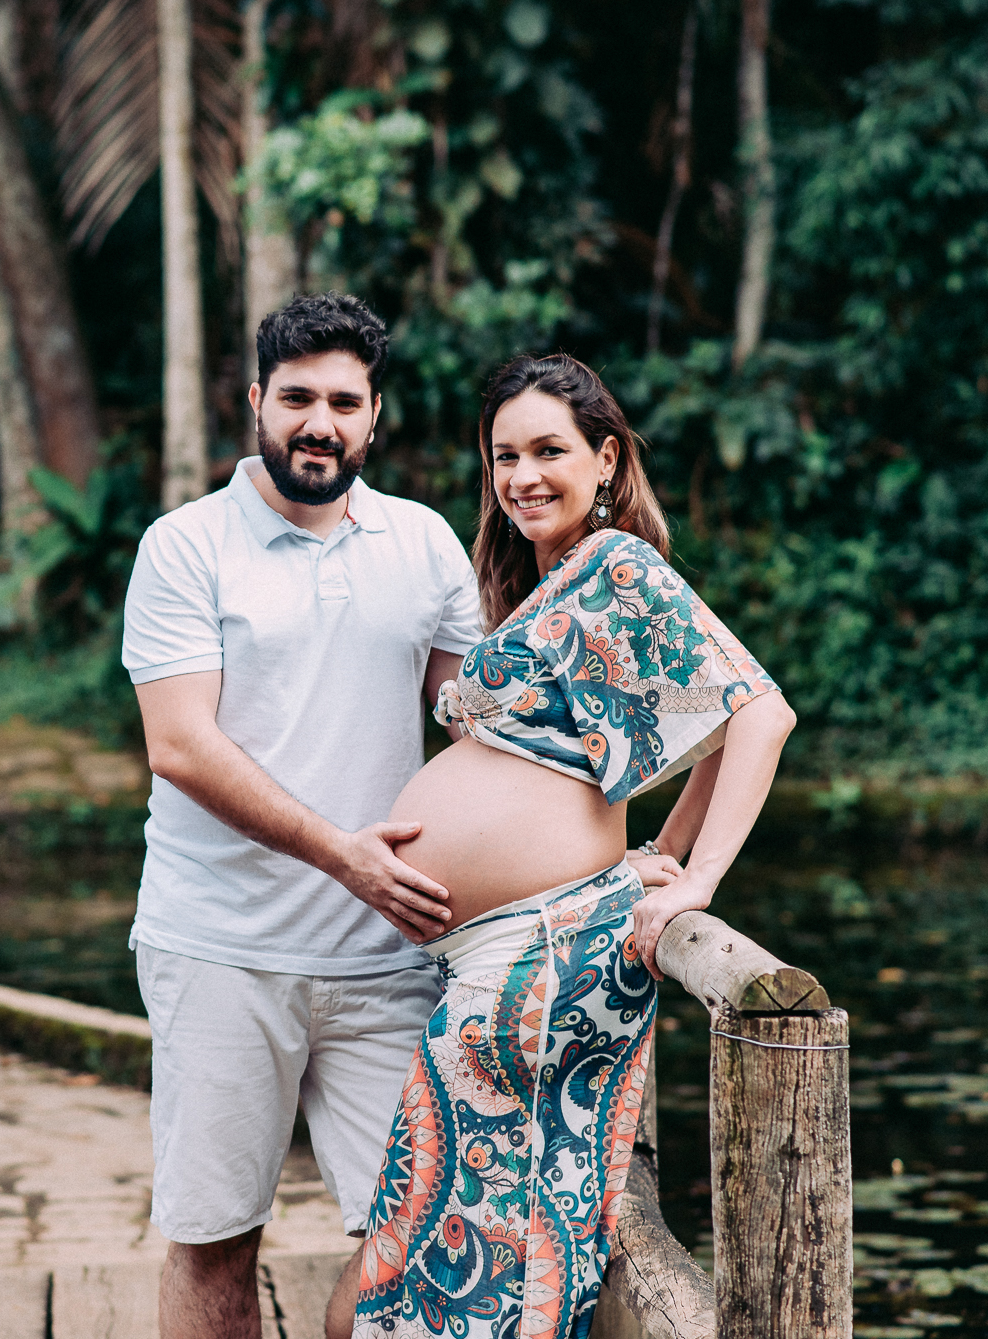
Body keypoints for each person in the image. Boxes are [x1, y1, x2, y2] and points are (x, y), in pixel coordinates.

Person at [324, 354, 797, 1339]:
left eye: (548, 449)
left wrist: (690, 879)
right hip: (500, 959)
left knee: (450, 1290)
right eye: (503, 455)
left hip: (536, 965)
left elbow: (754, 712)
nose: (522, 475)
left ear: (605, 457)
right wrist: (653, 848)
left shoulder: (614, 563)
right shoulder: (553, 580)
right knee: (405, 1284)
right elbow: (697, 727)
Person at [123, 292, 484, 1339]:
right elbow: (179, 743)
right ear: (255, 403)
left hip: (388, 957)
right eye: (295, 398)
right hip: (219, 948)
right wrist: (344, 855)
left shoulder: (422, 545)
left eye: (341, 400)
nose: (317, 421)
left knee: (421, 1233)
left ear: (373, 417)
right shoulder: (184, 546)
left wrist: (613, 855)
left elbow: (475, 733)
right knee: (214, 1239)